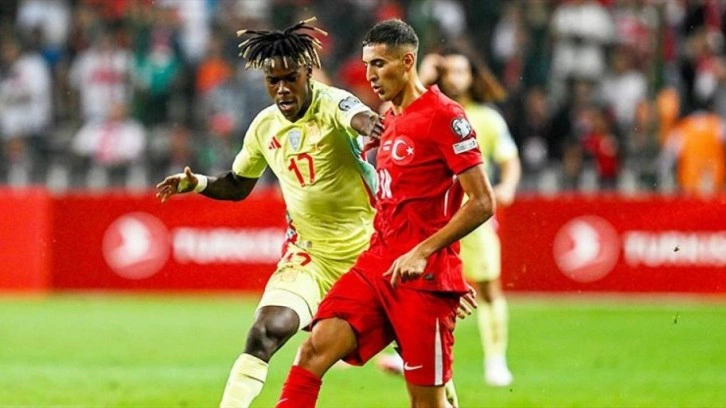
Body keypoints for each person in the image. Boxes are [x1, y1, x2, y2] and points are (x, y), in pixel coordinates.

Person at [155, 18, 382, 408]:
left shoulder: (333, 102)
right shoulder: (264, 127)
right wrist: (198, 184)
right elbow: (238, 184)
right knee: (265, 331)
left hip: (372, 253)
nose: (282, 89)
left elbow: (360, 118)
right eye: (272, 81)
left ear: (308, 73)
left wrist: (376, 127)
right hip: (311, 257)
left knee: (420, 345)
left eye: (290, 78)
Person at [276, 19, 496, 408]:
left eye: (379, 64)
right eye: (367, 65)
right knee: (313, 351)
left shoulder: (445, 116)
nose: (370, 76)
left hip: (423, 279)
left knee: (426, 402)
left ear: (407, 62)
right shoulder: (388, 121)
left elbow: (482, 202)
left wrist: (431, 259)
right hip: (377, 267)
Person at [377, 47, 522, 388]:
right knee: (413, 289)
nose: (455, 78)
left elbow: (509, 159)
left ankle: (496, 360)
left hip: (470, 217)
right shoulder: (419, 110)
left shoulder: (487, 118)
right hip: (426, 219)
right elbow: (385, 121)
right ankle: (410, 356)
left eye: (461, 71)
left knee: (487, 287)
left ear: (473, 77)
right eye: (449, 71)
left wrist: (509, 185)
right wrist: (423, 74)